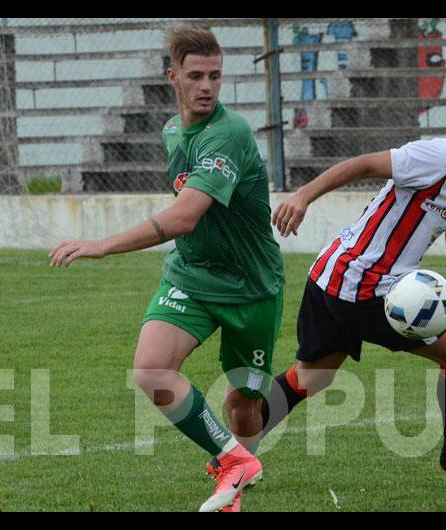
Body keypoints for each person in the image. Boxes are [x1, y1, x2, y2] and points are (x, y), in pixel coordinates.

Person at [49, 25, 285, 512]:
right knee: (151, 370)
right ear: (172, 77)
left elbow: (184, 214)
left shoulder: (230, 134)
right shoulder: (172, 131)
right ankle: (234, 463)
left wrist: (102, 245)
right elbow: (187, 219)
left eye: (215, 77)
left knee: (244, 402)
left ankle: (240, 471)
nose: (207, 86)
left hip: (251, 286)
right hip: (191, 277)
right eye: (196, 76)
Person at [264, 82, 446, 475]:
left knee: (313, 376)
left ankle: (232, 450)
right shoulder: (440, 155)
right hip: (365, 287)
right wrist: (303, 196)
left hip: (332, 274)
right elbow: (362, 165)